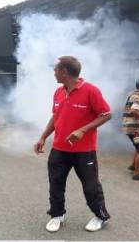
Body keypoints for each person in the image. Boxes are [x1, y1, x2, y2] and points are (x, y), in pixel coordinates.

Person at [34, 56, 112, 233]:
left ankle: (100, 216)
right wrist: (43, 137)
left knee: (91, 186)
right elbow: (56, 116)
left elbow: (106, 114)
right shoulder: (58, 92)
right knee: (56, 184)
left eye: (56, 70)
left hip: (84, 151)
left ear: (64, 72)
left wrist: (82, 130)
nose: (54, 73)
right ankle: (57, 215)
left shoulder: (91, 91)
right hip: (59, 149)